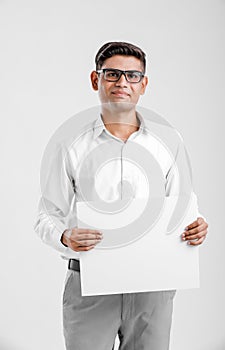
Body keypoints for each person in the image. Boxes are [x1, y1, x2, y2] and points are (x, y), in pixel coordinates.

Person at [34, 41, 208, 350]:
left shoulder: (169, 142)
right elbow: (46, 215)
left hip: (153, 287)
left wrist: (197, 226)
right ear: (95, 80)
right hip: (89, 284)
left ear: (144, 84)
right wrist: (65, 236)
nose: (122, 83)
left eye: (132, 75)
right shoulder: (71, 144)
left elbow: (183, 207)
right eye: (112, 74)